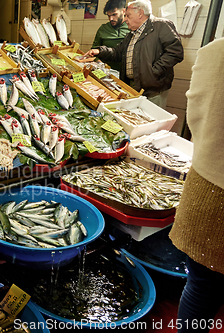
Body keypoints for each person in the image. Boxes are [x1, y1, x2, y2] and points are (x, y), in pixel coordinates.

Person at [168, 37, 224, 333]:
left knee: (202, 285)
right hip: (211, 191)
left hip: (209, 189)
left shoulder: (216, 51)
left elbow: (197, 114)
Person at [84, 0, 183, 109]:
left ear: (140, 13)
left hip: (152, 90)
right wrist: (100, 51)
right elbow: (117, 52)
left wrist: (154, 71)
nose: (125, 19)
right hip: (132, 87)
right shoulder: (132, 34)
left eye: (128, 15)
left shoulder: (161, 25)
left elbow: (175, 52)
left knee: (151, 121)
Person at [91, 0, 130, 71]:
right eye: (109, 16)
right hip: (104, 71)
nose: (111, 19)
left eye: (114, 14)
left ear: (124, 11)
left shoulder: (131, 27)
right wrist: (100, 64)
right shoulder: (103, 28)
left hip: (124, 72)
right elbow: (93, 50)